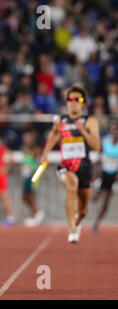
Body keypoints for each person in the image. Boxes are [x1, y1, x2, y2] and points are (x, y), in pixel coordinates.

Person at [41, 83, 100, 243]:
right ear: (66, 101)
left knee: (83, 209)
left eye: (78, 99)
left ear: (83, 103)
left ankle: (77, 221)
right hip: (66, 165)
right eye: (70, 98)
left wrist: (82, 131)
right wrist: (45, 154)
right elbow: (53, 136)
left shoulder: (90, 121)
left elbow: (96, 146)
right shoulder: (60, 120)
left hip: (84, 167)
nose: (73, 101)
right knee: (71, 184)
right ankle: (72, 228)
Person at [92, 122, 118, 233]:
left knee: (106, 201)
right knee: (95, 198)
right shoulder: (106, 143)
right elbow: (99, 159)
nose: (114, 132)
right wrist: (95, 172)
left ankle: (97, 223)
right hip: (103, 174)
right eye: (112, 130)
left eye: (116, 130)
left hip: (114, 176)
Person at [21, 131, 46, 227]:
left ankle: (34, 214)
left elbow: (41, 162)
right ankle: (35, 213)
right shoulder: (25, 149)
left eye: (28, 138)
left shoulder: (36, 150)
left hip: (33, 175)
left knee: (31, 196)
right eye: (25, 138)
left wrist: (37, 174)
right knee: (24, 196)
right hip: (26, 175)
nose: (26, 140)